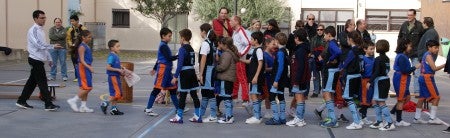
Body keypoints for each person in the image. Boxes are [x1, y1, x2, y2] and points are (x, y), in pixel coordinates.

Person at [15, 10, 61, 111]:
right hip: (34, 59)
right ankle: (48, 104)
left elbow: (43, 46)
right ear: (35, 19)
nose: (44, 20)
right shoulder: (33, 30)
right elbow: (38, 45)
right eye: (41, 18)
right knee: (42, 82)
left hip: (39, 60)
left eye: (45, 18)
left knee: (32, 82)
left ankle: (21, 101)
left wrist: (49, 58)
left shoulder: (41, 30)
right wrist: (53, 46)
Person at [144, 28, 180, 116]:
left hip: (167, 70)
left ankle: (179, 108)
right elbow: (168, 58)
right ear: (163, 36)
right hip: (163, 69)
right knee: (157, 89)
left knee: (172, 89)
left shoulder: (164, 45)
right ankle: (148, 109)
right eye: (169, 36)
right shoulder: (163, 46)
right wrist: (179, 56)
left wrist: (154, 68)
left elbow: (159, 59)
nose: (170, 38)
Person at [169, 29, 201, 123]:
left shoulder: (182, 49)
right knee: (194, 95)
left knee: (182, 95)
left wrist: (175, 76)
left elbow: (180, 64)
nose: (179, 39)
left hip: (184, 74)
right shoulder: (191, 48)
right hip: (192, 72)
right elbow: (193, 62)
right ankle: (197, 115)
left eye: (180, 37)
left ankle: (179, 117)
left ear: (182, 38)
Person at [414, 40, 445, 125]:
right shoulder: (428, 56)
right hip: (427, 78)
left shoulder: (426, 55)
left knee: (422, 98)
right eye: (435, 47)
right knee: (436, 97)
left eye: (438, 47)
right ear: (429, 47)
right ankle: (432, 118)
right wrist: (446, 65)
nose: (437, 49)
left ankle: (417, 118)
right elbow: (434, 68)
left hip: (423, 77)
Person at [338, 31, 364, 130]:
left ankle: (356, 122)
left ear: (351, 40)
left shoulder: (352, 51)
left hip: (351, 76)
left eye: (347, 39)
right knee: (352, 99)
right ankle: (358, 119)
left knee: (348, 98)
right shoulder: (360, 50)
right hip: (358, 76)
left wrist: (341, 69)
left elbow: (346, 63)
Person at [367, 39, 394, 131]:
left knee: (381, 102)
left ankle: (389, 123)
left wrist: (370, 81)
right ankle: (379, 121)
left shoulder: (378, 59)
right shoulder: (386, 58)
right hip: (384, 80)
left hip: (380, 81)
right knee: (374, 101)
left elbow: (377, 71)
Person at [391, 39, 420, 126]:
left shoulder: (403, 56)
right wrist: (415, 67)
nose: (411, 48)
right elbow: (404, 70)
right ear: (405, 46)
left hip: (403, 79)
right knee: (401, 100)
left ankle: (392, 112)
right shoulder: (402, 57)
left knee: (407, 97)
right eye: (410, 46)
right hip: (401, 79)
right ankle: (399, 121)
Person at [318, 26, 342, 128]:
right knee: (330, 94)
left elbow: (338, 52)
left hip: (331, 71)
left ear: (329, 34)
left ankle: (333, 119)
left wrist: (329, 59)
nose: (324, 36)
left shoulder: (332, 43)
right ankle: (330, 116)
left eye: (324, 34)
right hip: (333, 70)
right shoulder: (334, 43)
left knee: (327, 93)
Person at [286, 28, 310, 127]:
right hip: (302, 78)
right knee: (301, 98)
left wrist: (296, 80)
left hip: (299, 78)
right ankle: (300, 118)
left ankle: (299, 118)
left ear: (297, 38)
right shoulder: (303, 49)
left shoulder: (300, 50)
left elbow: (300, 67)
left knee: (299, 97)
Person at [66, 30, 94, 113]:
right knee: (88, 87)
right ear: (83, 37)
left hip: (86, 67)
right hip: (83, 68)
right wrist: (89, 67)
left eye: (90, 37)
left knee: (84, 88)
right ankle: (73, 100)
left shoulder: (86, 46)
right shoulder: (82, 47)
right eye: (88, 37)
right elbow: (81, 60)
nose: (90, 38)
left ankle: (83, 106)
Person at [398, 9, 424, 95]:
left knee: (417, 72)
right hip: (404, 52)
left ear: (414, 15)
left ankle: (417, 91)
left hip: (415, 52)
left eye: (410, 15)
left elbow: (422, 40)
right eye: (408, 15)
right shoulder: (404, 25)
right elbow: (400, 37)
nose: (408, 17)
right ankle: (403, 90)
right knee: (403, 71)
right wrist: (399, 49)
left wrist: (421, 51)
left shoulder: (420, 26)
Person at [265, 32, 289, 125]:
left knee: (272, 97)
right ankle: (282, 117)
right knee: (281, 96)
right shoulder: (284, 51)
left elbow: (280, 67)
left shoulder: (280, 53)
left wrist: (276, 80)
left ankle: (275, 118)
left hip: (277, 79)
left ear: (277, 40)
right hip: (282, 79)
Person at [241, 31, 265, 124]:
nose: (250, 40)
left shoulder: (259, 50)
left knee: (254, 95)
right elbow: (250, 61)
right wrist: (240, 59)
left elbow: (260, 63)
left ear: (256, 40)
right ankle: (257, 115)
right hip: (253, 77)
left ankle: (256, 116)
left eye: (251, 39)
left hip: (255, 77)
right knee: (255, 95)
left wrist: (255, 76)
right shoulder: (255, 50)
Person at [216, 37, 240, 124]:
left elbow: (223, 66)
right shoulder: (230, 53)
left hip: (226, 78)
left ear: (225, 45)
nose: (220, 45)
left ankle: (228, 117)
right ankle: (229, 116)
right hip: (229, 78)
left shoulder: (226, 54)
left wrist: (216, 67)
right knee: (228, 97)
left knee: (226, 97)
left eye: (221, 44)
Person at [198, 23, 218, 123]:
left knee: (210, 92)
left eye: (200, 31)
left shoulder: (206, 43)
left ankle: (213, 115)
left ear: (204, 32)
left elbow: (203, 59)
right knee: (204, 92)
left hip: (208, 70)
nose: (200, 33)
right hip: (211, 69)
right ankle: (200, 115)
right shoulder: (212, 43)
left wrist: (200, 74)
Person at [230, 15, 252, 106]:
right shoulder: (235, 32)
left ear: (236, 22)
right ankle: (234, 96)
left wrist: (241, 54)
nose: (230, 22)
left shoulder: (241, 31)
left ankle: (246, 99)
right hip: (235, 59)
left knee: (242, 78)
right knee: (235, 78)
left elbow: (248, 44)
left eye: (231, 21)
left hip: (240, 59)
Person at [100, 39, 125, 115]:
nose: (119, 48)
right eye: (117, 46)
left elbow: (115, 64)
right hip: (113, 77)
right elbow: (108, 67)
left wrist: (121, 67)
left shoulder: (115, 56)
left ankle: (113, 109)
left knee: (114, 94)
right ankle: (105, 103)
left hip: (115, 77)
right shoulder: (111, 56)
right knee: (118, 93)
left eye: (119, 46)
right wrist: (118, 70)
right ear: (112, 48)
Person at [67, 14, 88, 82]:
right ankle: (77, 76)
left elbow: (87, 37)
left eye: (73, 21)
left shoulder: (83, 28)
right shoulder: (70, 29)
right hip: (74, 50)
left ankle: (83, 76)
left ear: (77, 21)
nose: (72, 23)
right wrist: (71, 45)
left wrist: (82, 45)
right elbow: (68, 39)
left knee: (82, 62)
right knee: (75, 63)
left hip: (81, 49)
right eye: (71, 21)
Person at [359, 41, 375, 125]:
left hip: (372, 81)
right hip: (365, 81)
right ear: (365, 49)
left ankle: (362, 112)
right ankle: (363, 116)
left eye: (373, 49)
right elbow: (361, 71)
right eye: (371, 49)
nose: (372, 51)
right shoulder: (362, 59)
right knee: (365, 99)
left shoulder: (374, 59)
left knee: (370, 99)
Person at [309, 24, 326, 97]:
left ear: (323, 30)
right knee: (316, 76)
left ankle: (324, 91)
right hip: (315, 59)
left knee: (323, 75)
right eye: (318, 30)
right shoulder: (313, 38)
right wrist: (313, 54)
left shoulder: (325, 38)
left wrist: (321, 56)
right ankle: (316, 91)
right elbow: (311, 49)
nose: (319, 31)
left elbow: (327, 49)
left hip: (323, 59)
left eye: (321, 29)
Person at [262, 38, 277, 119]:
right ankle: (267, 112)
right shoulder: (265, 55)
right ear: (267, 44)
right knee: (268, 96)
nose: (275, 46)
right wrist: (274, 68)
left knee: (267, 95)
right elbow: (265, 68)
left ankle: (251, 105)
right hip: (266, 78)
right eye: (273, 44)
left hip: (271, 78)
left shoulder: (273, 54)